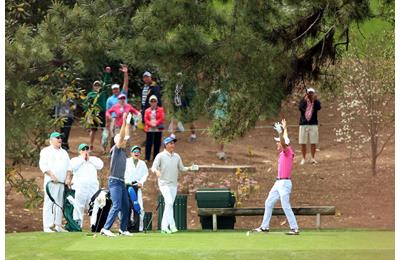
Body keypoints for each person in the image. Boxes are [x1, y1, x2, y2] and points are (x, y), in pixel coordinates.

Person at [253, 119, 299, 235]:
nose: (277, 143)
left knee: (285, 205)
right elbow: (285, 138)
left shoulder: (287, 151)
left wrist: (280, 133)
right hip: (278, 183)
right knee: (268, 203)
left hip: (284, 183)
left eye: (277, 141)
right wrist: (285, 127)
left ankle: (294, 228)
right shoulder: (285, 151)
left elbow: (284, 142)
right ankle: (264, 227)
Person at [151, 136, 199, 234]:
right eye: (171, 143)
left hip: (173, 184)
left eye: (173, 143)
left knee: (170, 205)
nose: (173, 145)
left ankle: (172, 226)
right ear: (166, 145)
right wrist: (156, 171)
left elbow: (181, 168)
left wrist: (190, 168)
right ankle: (164, 227)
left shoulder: (177, 156)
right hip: (164, 183)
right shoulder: (160, 156)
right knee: (168, 202)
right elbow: (153, 167)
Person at [101, 112, 133, 237]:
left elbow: (127, 136)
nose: (125, 141)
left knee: (126, 206)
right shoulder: (116, 148)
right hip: (114, 181)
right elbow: (122, 138)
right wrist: (124, 121)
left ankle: (123, 229)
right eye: (122, 139)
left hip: (121, 182)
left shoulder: (124, 151)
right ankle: (106, 228)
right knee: (117, 205)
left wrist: (128, 123)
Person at [39, 131, 72, 232]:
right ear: (51, 140)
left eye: (60, 138)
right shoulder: (46, 151)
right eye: (57, 138)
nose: (60, 139)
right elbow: (43, 165)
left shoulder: (64, 152)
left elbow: (69, 167)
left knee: (60, 203)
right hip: (51, 182)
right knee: (49, 203)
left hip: (61, 182)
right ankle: (47, 226)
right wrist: (52, 175)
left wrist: (68, 178)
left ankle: (58, 225)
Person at [70, 143, 104, 227]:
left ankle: (94, 225)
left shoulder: (93, 159)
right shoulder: (75, 160)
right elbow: (72, 166)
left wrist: (89, 159)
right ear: (79, 151)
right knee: (78, 207)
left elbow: (100, 165)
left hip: (92, 188)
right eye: (83, 149)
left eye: (86, 149)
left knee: (93, 206)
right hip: (80, 187)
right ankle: (77, 226)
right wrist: (83, 159)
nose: (85, 151)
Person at [85, 67, 112, 153]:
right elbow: (86, 105)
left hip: (103, 112)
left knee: (104, 130)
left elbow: (106, 82)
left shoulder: (102, 92)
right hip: (94, 113)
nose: (97, 86)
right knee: (93, 130)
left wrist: (107, 73)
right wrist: (88, 115)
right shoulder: (90, 94)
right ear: (93, 86)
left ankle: (103, 147)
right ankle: (91, 146)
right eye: (95, 85)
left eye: (98, 85)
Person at [124, 145, 149, 232]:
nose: (136, 153)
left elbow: (145, 174)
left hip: (137, 188)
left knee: (138, 207)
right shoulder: (126, 162)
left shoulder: (142, 163)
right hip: (127, 187)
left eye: (138, 152)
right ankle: (126, 227)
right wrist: (127, 182)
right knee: (127, 207)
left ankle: (138, 227)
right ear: (131, 153)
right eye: (134, 152)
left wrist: (141, 182)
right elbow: (123, 174)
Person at [168, 72, 197, 142]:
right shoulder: (174, 85)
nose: (179, 78)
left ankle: (193, 135)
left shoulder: (188, 85)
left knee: (190, 121)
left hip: (186, 106)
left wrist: (189, 106)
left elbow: (191, 96)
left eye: (180, 77)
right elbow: (173, 95)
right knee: (174, 119)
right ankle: (172, 137)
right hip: (177, 106)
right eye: (178, 77)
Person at [106, 64, 129, 148]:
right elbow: (108, 111)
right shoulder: (109, 99)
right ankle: (114, 152)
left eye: (117, 89)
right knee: (114, 137)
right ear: (112, 90)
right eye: (114, 89)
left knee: (126, 136)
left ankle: (125, 153)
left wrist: (125, 73)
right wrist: (107, 122)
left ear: (119, 89)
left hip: (124, 119)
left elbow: (126, 83)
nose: (115, 90)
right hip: (114, 119)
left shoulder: (123, 94)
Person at [298, 88, 321, 165]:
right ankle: (303, 158)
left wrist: (315, 100)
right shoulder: (303, 101)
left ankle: (313, 158)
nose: (310, 95)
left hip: (313, 124)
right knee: (302, 142)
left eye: (312, 93)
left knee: (313, 142)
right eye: (309, 93)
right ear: (307, 93)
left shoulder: (316, 102)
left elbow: (319, 107)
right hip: (303, 124)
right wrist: (305, 100)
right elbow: (300, 108)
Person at [54, 86, 76, 151]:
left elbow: (75, 106)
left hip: (69, 117)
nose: (65, 90)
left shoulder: (71, 97)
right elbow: (57, 107)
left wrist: (73, 106)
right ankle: (63, 145)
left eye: (67, 89)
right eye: (64, 89)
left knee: (67, 131)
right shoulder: (60, 98)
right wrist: (56, 117)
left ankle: (64, 145)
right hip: (61, 117)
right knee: (62, 131)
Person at [144, 95, 165, 162]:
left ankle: (155, 158)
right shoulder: (147, 110)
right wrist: (151, 124)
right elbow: (146, 119)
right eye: (152, 101)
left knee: (157, 143)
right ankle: (147, 158)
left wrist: (156, 124)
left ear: (157, 102)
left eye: (154, 101)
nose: (153, 102)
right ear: (149, 102)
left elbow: (162, 118)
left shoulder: (161, 109)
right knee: (149, 143)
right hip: (149, 128)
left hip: (158, 128)